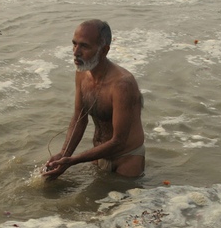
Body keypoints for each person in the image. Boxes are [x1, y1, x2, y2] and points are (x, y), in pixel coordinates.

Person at [42, 19, 145, 180]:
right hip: (98, 155)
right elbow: (79, 118)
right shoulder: (82, 72)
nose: (76, 52)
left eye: (84, 46)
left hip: (126, 159)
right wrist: (64, 154)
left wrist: (73, 161)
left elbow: (119, 141)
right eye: (74, 44)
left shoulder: (122, 85)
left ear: (104, 50)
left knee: (124, 202)